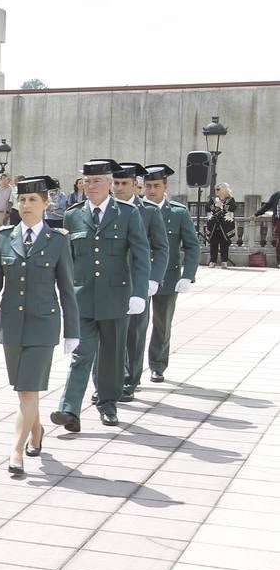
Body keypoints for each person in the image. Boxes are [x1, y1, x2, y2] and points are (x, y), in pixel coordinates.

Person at [0, 176, 80, 474]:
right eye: (21, 200)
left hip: (43, 325)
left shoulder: (58, 240)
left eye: (33, 200)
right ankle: (36, 432)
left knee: (27, 391)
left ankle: (16, 451)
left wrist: (72, 331)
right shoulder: (5, 236)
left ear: (46, 204)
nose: (26, 205)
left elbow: (67, 289)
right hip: (11, 324)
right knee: (23, 389)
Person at [50, 160, 150, 432]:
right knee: (81, 354)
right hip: (82, 298)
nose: (90, 186)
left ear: (109, 183)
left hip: (117, 298)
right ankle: (69, 409)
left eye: (96, 181)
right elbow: (66, 259)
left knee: (112, 357)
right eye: (86, 181)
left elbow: (141, 255)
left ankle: (107, 403)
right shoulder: (73, 215)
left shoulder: (127, 213)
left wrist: (139, 292)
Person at [112, 163, 167, 401]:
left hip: (137, 282)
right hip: (110, 282)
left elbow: (161, 249)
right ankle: (108, 379)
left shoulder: (149, 211)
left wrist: (153, 279)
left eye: (125, 183)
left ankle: (129, 380)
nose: (119, 187)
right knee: (110, 334)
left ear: (136, 185)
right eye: (116, 183)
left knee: (134, 334)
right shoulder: (106, 209)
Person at [140, 165, 199, 383]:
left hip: (168, 276)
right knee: (135, 326)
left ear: (166, 186)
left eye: (156, 186)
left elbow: (192, 246)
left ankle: (157, 364)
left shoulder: (178, 212)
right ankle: (130, 371)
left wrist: (188, 274)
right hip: (141, 276)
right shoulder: (137, 210)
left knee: (162, 324)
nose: (151, 190)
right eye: (148, 186)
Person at [206, 182, 236, 268]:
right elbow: (207, 208)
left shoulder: (230, 199)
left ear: (223, 190)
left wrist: (222, 206)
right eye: (215, 189)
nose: (216, 191)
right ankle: (212, 261)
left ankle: (224, 261)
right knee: (213, 244)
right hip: (214, 226)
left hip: (225, 227)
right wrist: (215, 205)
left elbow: (233, 208)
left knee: (224, 244)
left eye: (218, 189)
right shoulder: (213, 199)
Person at [252, 186, 280, 267]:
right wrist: (256, 214)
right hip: (278, 222)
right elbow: (267, 206)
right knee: (279, 242)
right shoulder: (276, 195)